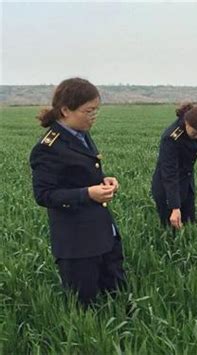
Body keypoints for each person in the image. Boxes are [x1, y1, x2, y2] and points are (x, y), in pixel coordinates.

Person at [30, 77, 126, 307]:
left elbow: (80, 175)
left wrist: (104, 181)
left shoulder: (81, 133)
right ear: (65, 110)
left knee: (119, 298)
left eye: (96, 110)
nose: (94, 115)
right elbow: (44, 195)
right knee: (85, 308)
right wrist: (87, 194)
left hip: (103, 232)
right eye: (89, 110)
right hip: (78, 243)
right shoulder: (48, 148)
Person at [151, 103, 197, 229]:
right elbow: (169, 174)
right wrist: (174, 207)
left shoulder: (194, 128)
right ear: (187, 122)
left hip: (186, 185)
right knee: (172, 231)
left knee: (190, 227)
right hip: (168, 190)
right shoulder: (171, 138)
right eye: (196, 133)